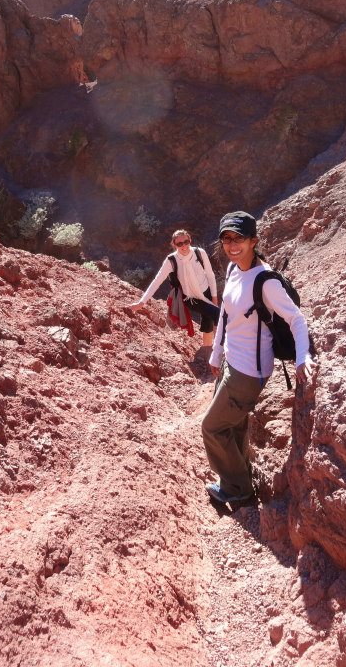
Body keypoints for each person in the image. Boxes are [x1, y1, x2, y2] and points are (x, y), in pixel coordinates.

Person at [202, 211, 313, 506]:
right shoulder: (233, 269)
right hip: (231, 361)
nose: (232, 244)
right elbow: (225, 313)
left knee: (212, 428)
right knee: (233, 425)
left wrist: (303, 358)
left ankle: (238, 490)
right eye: (226, 238)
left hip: (249, 372)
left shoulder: (265, 282)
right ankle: (241, 478)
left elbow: (297, 320)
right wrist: (216, 352)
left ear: (254, 240)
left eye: (238, 238)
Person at [128, 229, 220, 347]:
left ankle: (207, 349)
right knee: (218, 315)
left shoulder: (199, 252)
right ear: (174, 245)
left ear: (190, 240)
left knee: (208, 321)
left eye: (186, 242)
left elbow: (210, 274)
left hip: (206, 292)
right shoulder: (171, 260)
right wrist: (141, 303)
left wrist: (214, 297)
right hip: (191, 298)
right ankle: (218, 350)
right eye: (179, 244)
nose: (184, 246)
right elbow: (157, 280)